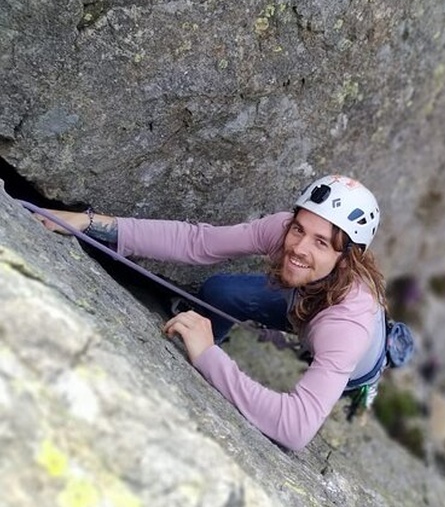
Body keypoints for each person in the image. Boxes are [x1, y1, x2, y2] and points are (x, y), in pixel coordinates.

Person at [37, 174, 388, 451]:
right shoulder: (287, 235)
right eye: (299, 229)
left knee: (343, 380)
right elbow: (197, 242)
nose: (298, 246)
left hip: (346, 349)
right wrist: (89, 222)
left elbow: (295, 429)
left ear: (347, 258)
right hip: (299, 299)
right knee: (220, 291)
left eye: (321, 242)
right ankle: (195, 339)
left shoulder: (347, 326)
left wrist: (209, 356)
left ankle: (370, 381)